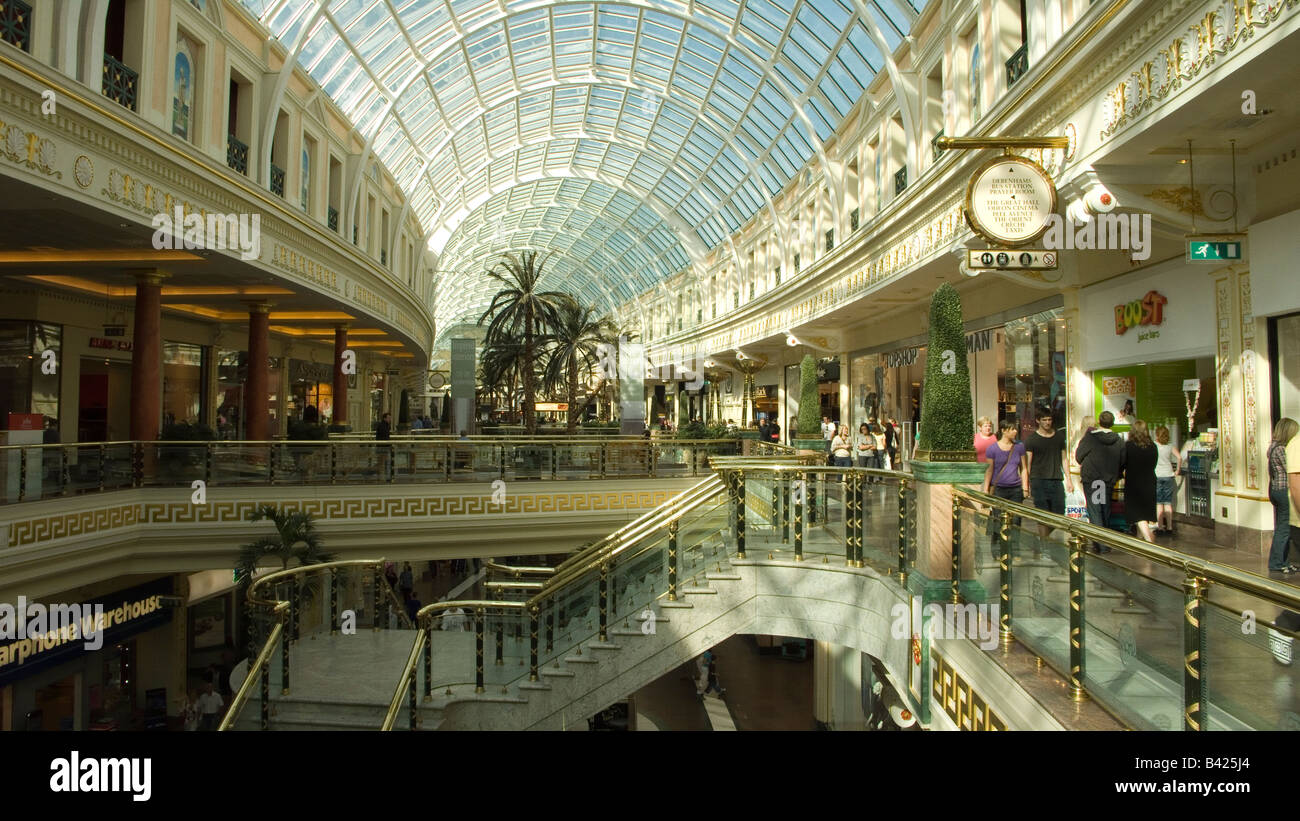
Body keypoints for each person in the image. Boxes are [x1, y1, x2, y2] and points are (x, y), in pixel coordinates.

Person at [1075, 411, 1127, 553]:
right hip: (1108, 479)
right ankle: (1103, 541)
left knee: (1094, 510)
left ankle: (1101, 544)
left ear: (1099, 422)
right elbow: (1123, 461)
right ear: (1112, 423)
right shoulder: (1119, 440)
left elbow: (1079, 456)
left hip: (1092, 478)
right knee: (1104, 509)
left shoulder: (1090, 438)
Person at [982, 418, 1029, 563]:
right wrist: (986, 490)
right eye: (1012, 429)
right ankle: (997, 550)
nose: (1015, 431)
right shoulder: (992, 449)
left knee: (1016, 521)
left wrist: (1025, 487)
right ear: (1003, 431)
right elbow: (989, 470)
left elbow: (1024, 468)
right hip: (999, 489)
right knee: (998, 520)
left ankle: (1014, 551)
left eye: (1015, 429)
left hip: (1015, 489)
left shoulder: (1019, 447)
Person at [1024, 408, 1072, 538]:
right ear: (1038, 421)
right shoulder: (1032, 439)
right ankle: (1044, 543)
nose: (1047, 422)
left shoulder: (1059, 437)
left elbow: (1064, 459)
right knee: (1042, 513)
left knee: (1059, 512)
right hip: (1038, 480)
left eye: (1049, 419)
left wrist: (1069, 480)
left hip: (1056, 479)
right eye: (1044, 420)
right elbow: (1028, 463)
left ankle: (1051, 541)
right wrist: (1026, 483)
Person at [1267, 418, 1300, 575]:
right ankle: (1277, 562)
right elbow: (1291, 467)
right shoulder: (1281, 449)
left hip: (1276, 489)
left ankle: (1283, 561)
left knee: (1283, 526)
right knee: (1284, 528)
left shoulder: (1273, 446)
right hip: (1282, 490)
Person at [1124, 420, 1158, 543]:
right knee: (1145, 511)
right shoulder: (1152, 446)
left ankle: (1148, 539)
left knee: (1137, 514)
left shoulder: (1129, 446)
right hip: (1150, 481)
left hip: (1134, 482)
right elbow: (1154, 464)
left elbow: (1123, 463)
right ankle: (1140, 541)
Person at [1153, 425, 1181, 535]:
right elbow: (1179, 457)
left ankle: (1160, 527)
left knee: (1159, 503)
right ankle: (1169, 527)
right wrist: (1177, 470)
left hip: (1157, 475)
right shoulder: (1170, 446)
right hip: (1169, 475)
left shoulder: (1154, 445)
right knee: (1168, 503)